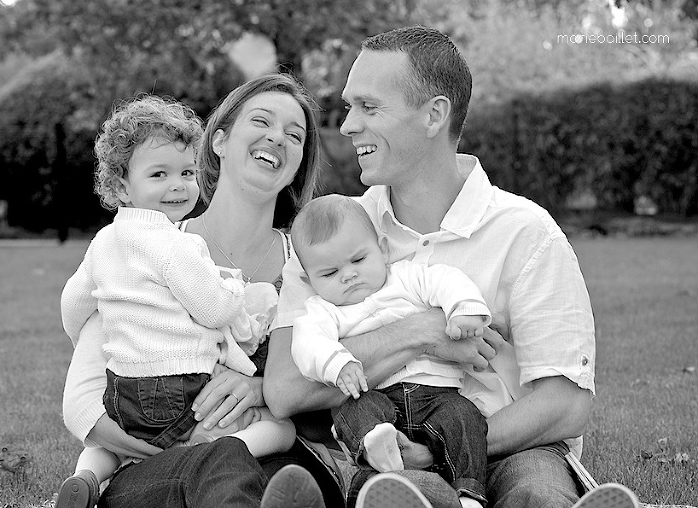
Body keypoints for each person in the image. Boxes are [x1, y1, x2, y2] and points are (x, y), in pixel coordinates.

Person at [264, 25, 640, 508]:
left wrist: (441, 448)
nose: (347, 125)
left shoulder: (525, 233)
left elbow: (566, 404)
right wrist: (419, 332)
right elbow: (285, 390)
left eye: (368, 107)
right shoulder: (333, 237)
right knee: (405, 493)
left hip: (512, 442)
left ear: (434, 115)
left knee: (534, 492)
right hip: (389, 451)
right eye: (349, 106)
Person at [61, 73, 344, 508]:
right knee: (219, 469)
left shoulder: (307, 268)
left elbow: (333, 383)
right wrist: (167, 445)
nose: (277, 138)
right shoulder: (147, 249)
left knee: (280, 478)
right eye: (262, 121)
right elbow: (83, 402)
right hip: (157, 466)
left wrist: (261, 388)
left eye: (295, 135)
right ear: (219, 142)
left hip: (267, 456)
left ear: (298, 163)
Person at [289, 194, 491, 508]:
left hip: (437, 395)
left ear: (383, 251)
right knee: (354, 410)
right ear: (309, 280)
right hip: (378, 398)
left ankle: (469, 495)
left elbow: (446, 280)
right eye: (329, 273)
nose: (349, 275)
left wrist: (463, 309)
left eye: (358, 260)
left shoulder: (407, 278)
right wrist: (338, 363)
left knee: (465, 418)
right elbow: (307, 343)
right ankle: (375, 449)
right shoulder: (323, 311)